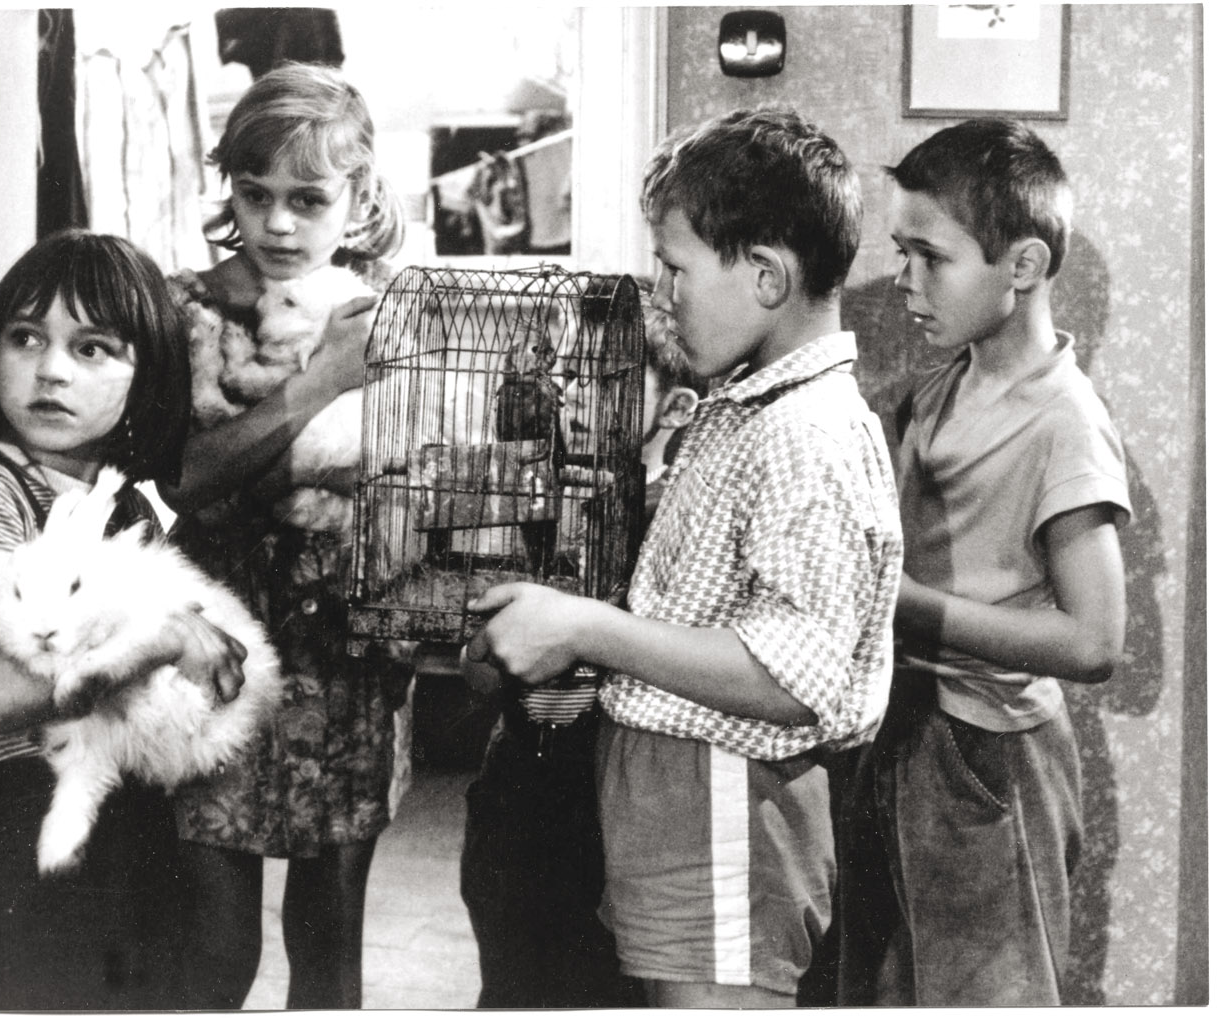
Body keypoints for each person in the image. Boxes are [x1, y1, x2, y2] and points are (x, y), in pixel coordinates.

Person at [462, 107, 904, 1008]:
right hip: (677, 820)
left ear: (767, 276)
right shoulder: (739, 410)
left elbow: (792, 677)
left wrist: (590, 627)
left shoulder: (804, 433)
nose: (659, 295)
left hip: (727, 817)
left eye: (675, 269)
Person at [0, 229, 248, 1010]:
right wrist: (153, 645)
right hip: (28, 820)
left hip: (135, 818)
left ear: (147, 377)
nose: (50, 369)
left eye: (93, 348)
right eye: (26, 337)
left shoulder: (123, 502)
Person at [835, 118, 1130, 1007]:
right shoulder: (945, 379)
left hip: (990, 755)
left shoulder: (1063, 421)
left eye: (930, 257)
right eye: (900, 252)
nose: (904, 281)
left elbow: (1093, 643)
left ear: (1024, 267)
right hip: (906, 735)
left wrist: (901, 605)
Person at [158, 61, 414, 1010]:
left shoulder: (391, 310)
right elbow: (187, 479)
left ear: (358, 198)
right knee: (215, 948)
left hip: (346, 647)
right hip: (212, 654)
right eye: (254, 193)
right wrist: (322, 380)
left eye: (307, 199)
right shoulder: (184, 307)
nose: (277, 224)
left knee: (330, 946)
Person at [457, 290, 702, 1009]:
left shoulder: (677, 523)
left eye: (606, 379)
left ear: (677, 408)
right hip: (516, 793)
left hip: (613, 808)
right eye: (568, 376)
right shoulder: (538, 507)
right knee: (509, 982)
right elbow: (478, 673)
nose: (573, 398)